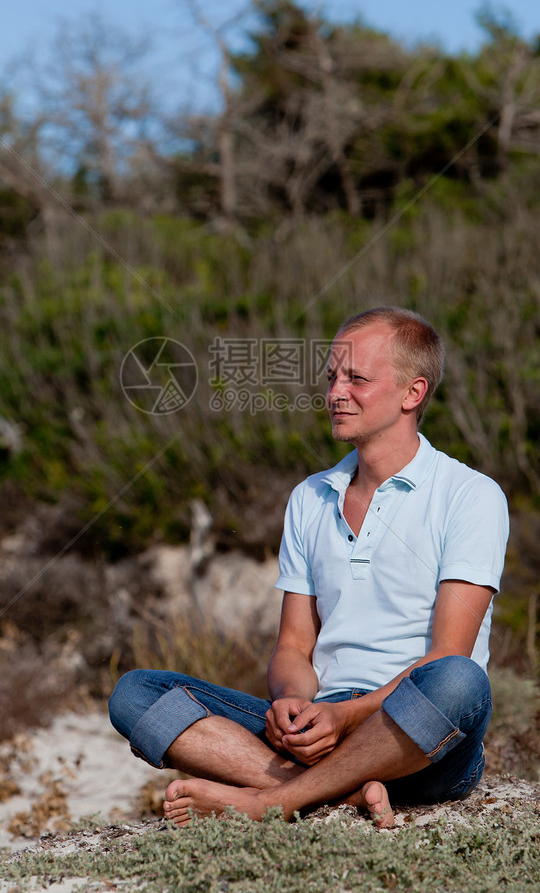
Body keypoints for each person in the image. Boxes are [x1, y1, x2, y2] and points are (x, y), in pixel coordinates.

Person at [109, 307, 509, 828]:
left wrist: (347, 715)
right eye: (332, 378)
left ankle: (268, 801)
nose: (335, 393)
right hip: (318, 731)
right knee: (135, 694)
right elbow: (295, 646)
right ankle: (342, 793)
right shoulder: (310, 497)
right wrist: (292, 704)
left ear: (413, 393)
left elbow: (447, 654)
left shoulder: (471, 496)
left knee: (460, 680)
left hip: (420, 737)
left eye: (356, 379)